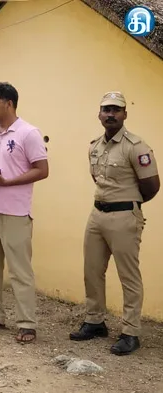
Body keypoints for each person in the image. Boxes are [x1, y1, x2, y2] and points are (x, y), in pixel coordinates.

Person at [69, 91, 160, 355]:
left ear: (124, 114)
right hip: (97, 215)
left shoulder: (136, 146)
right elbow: (98, 179)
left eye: (116, 110)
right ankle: (95, 321)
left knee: (128, 275)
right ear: (99, 114)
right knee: (92, 270)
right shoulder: (95, 146)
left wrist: (127, 203)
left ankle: (130, 332)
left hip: (124, 217)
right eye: (106, 110)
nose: (110, 114)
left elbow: (152, 186)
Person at [0, 82, 48, 343]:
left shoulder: (28, 133)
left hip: (15, 212)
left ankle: (27, 323)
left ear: (9, 104)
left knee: (19, 271)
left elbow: (42, 170)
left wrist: (7, 182)